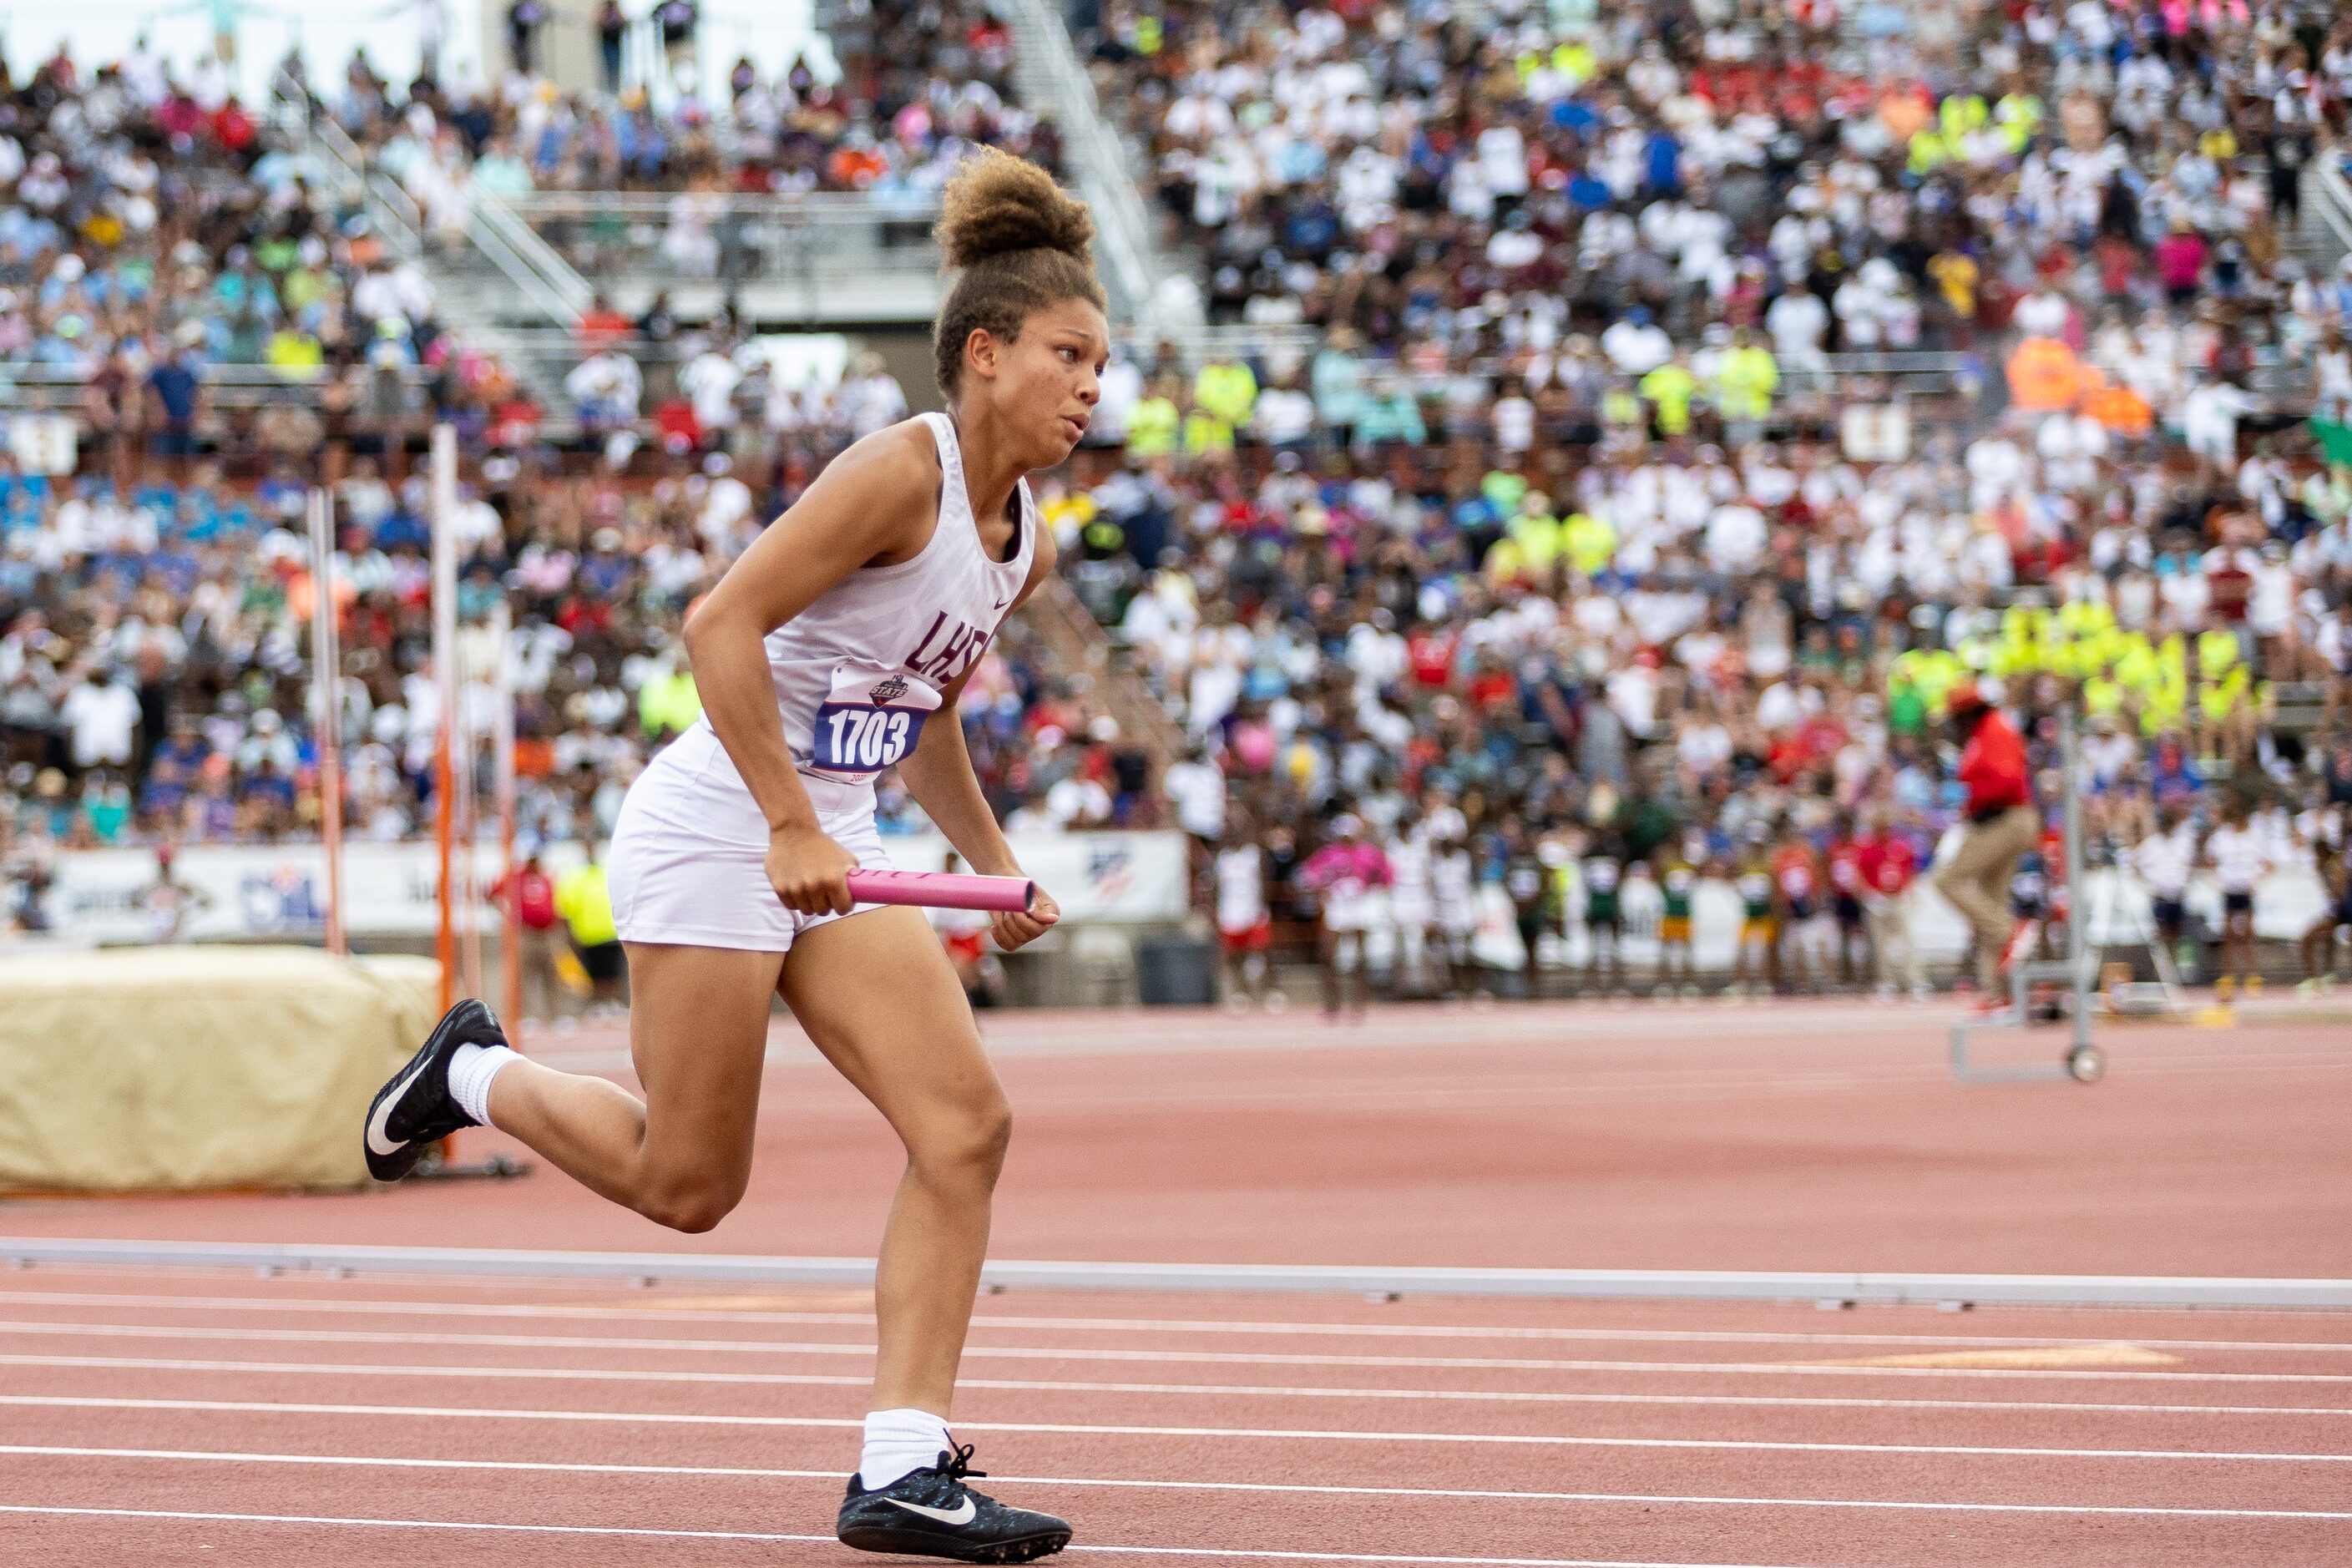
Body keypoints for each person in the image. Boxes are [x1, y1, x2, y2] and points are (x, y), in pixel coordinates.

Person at [362, 149, 1095, 1564]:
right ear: (986, 353)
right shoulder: (899, 471)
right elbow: (718, 624)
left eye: (1099, 363)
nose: (1088, 387)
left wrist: (993, 865)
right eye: (1067, 355)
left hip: (839, 845)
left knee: (966, 1126)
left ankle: (901, 1465)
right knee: (687, 1184)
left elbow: (923, 713)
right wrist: (786, 820)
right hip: (720, 830)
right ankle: (470, 1070)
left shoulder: (1025, 548)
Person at [1930, 679, 2037, 1009]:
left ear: (1966, 713)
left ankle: (2009, 933)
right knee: (1992, 898)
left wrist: (1972, 797)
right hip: (2004, 819)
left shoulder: (1994, 730)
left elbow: (2007, 779)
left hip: (2004, 819)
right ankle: (2000, 992)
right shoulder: (1987, 731)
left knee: (1947, 879)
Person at [1297, 812, 1391, 1021]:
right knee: (1327, 955)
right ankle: (1332, 1004)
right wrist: (1321, 889)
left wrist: (1373, 891)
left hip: (1360, 903)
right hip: (1338, 905)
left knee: (1360, 956)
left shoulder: (1369, 854)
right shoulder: (1329, 854)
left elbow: (1387, 875)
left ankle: (1358, 1005)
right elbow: (1308, 874)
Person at [2204, 795, 2270, 1000]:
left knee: (2248, 934)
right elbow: (2208, 862)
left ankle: (2252, 976)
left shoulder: (2254, 837)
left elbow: (2269, 864)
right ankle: (2228, 976)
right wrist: (2218, 882)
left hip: (2246, 889)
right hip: (2230, 890)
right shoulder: (2221, 837)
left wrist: (2256, 882)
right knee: (2229, 935)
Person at [553, 840, 625, 1014]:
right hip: (589, 933)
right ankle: (599, 1005)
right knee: (595, 973)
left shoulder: (605, 872)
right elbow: (567, 906)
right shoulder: (576, 877)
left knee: (613, 971)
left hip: (609, 931)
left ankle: (611, 1004)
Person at [1212, 822, 1276, 1010]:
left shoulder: (1253, 855)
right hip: (1231, 912)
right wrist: (1216, 912)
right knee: (1235, 956)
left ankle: (1269, 991)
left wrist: (1261, 907)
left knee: (1261, 952)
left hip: (1253, 910)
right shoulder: (1223, 858)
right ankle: (1241, 992)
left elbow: (1264, 882)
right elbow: (1217, 888)